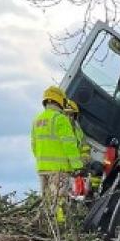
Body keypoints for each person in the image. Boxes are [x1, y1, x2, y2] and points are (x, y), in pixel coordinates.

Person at [31, 86, 82, 225]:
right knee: (59, 200)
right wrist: (77, 165)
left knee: (47, 199)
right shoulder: (60, 119)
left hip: (42, 168)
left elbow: (34, 146)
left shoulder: (37, 120)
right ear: (60, 100)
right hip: (59, 169)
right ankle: (59, 228)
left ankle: (44, 226)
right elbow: (69, 145)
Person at [64, 99, 92, 165]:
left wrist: (84, 159)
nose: (68, 117)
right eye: (66, 114)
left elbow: (85, 147)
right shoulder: (54, 127)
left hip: (72, 169)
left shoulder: (78, 131)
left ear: (75, 116)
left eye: (71, 115)